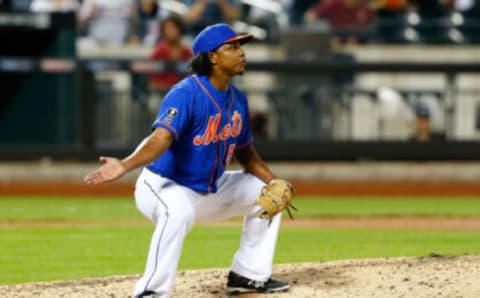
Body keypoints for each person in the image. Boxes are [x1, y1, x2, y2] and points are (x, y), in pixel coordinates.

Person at [84, 23, 291, 297]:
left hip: (207, 190)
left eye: (240, 46)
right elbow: (160, 139)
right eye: (232, 47)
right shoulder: (186, 93)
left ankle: (248, 275)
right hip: (163, 186)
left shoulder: (237, 99)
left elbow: (246, 154)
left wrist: (273, 180)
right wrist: (124, 165)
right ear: (213, 57)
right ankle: (151, 292)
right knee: (177, 211)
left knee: (266, 193)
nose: (241, 53)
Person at [149, 15, 192, 92]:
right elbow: (153, 83)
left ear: (179, 29)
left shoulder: (187, 52)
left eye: (172, 27)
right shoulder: (158, 52)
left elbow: (192, 78)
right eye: (166, 28)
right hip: (162, 95)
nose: (169, 31)